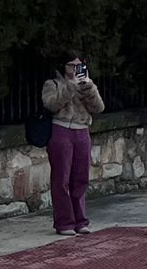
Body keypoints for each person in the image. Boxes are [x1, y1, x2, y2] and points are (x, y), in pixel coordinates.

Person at [41, 51, 105, 235]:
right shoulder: (53, 84)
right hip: (61, 130)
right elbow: (51, 104)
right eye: (71, 65)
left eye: (78, 65)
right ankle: (64, 222)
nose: (74, 69)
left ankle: (81, 220)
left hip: (82, 130)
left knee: (81, 177)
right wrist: (70, 88)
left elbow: (99, 108)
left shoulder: (86, 85)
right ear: (64, 66)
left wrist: (89, 88)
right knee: (62, 179)